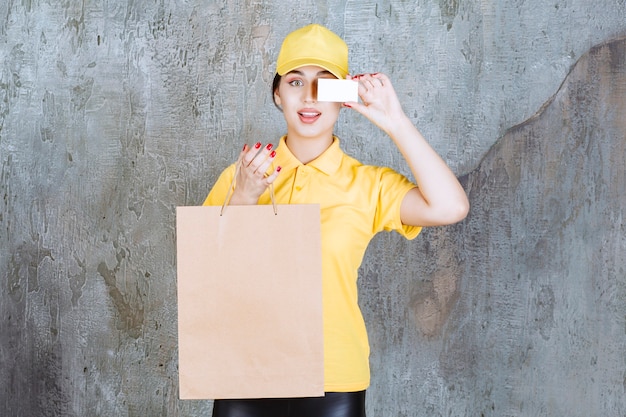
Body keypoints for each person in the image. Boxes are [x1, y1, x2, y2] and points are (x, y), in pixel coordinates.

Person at [203, 24, 469, 417]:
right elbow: (209, 268)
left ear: (343, 98)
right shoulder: (243, 174)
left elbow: (450, 207)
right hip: (246, 370)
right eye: (295, 82)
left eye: (324, 84)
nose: (309, 97)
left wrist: (395, 121)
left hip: (332, 380)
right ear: (277, 93)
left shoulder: (367, 185)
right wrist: (244, 194)